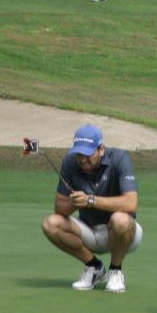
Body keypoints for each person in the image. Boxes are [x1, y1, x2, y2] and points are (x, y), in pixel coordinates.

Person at [41, 124, 143, 293]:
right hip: (88, 229)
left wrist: (90, 200)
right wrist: (74, 203)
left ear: (101, 149)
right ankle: (94, 267)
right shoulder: (69, 163)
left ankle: (116, 271)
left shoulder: (119, 159)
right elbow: (59, 209)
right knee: (50, 224)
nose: (82, 159)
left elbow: (131, 203)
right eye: (79, 154)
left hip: (123, 233)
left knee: (120, 219)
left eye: (87, 154)